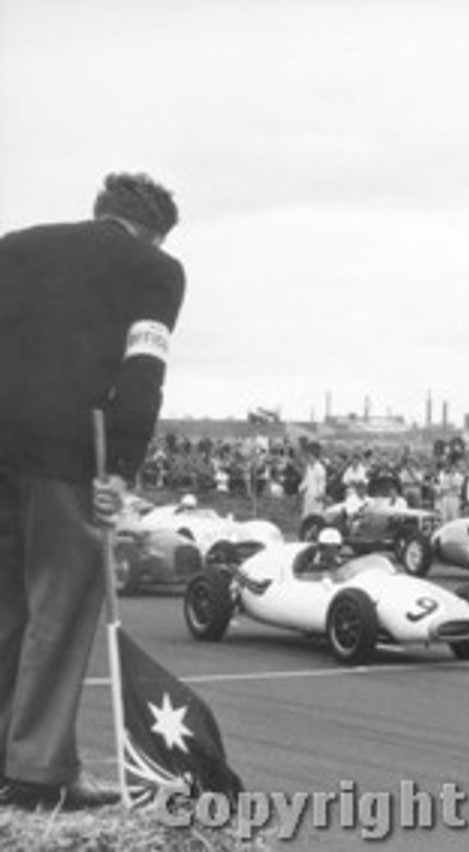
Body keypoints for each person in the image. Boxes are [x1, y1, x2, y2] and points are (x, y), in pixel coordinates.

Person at [0, 173, 184, 810]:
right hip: (67, 455)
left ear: (101, 212)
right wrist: (120, 471)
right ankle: (36, 770)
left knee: (4, 609)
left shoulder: (13, 247)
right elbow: (143, 371)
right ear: (153, 232)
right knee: (59, 608)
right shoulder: (156, 270)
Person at [299, 443, 328, 522]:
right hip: (308, 495)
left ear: (315, 457)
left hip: (316, 496)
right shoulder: (309, 467)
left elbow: (322, 482)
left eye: (310, 456)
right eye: (308, 456)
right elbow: (306, 480)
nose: (309, 458)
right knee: (306, 515)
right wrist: (301, 488)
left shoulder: (320, 468)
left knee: (316, 515)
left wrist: (321, 494)